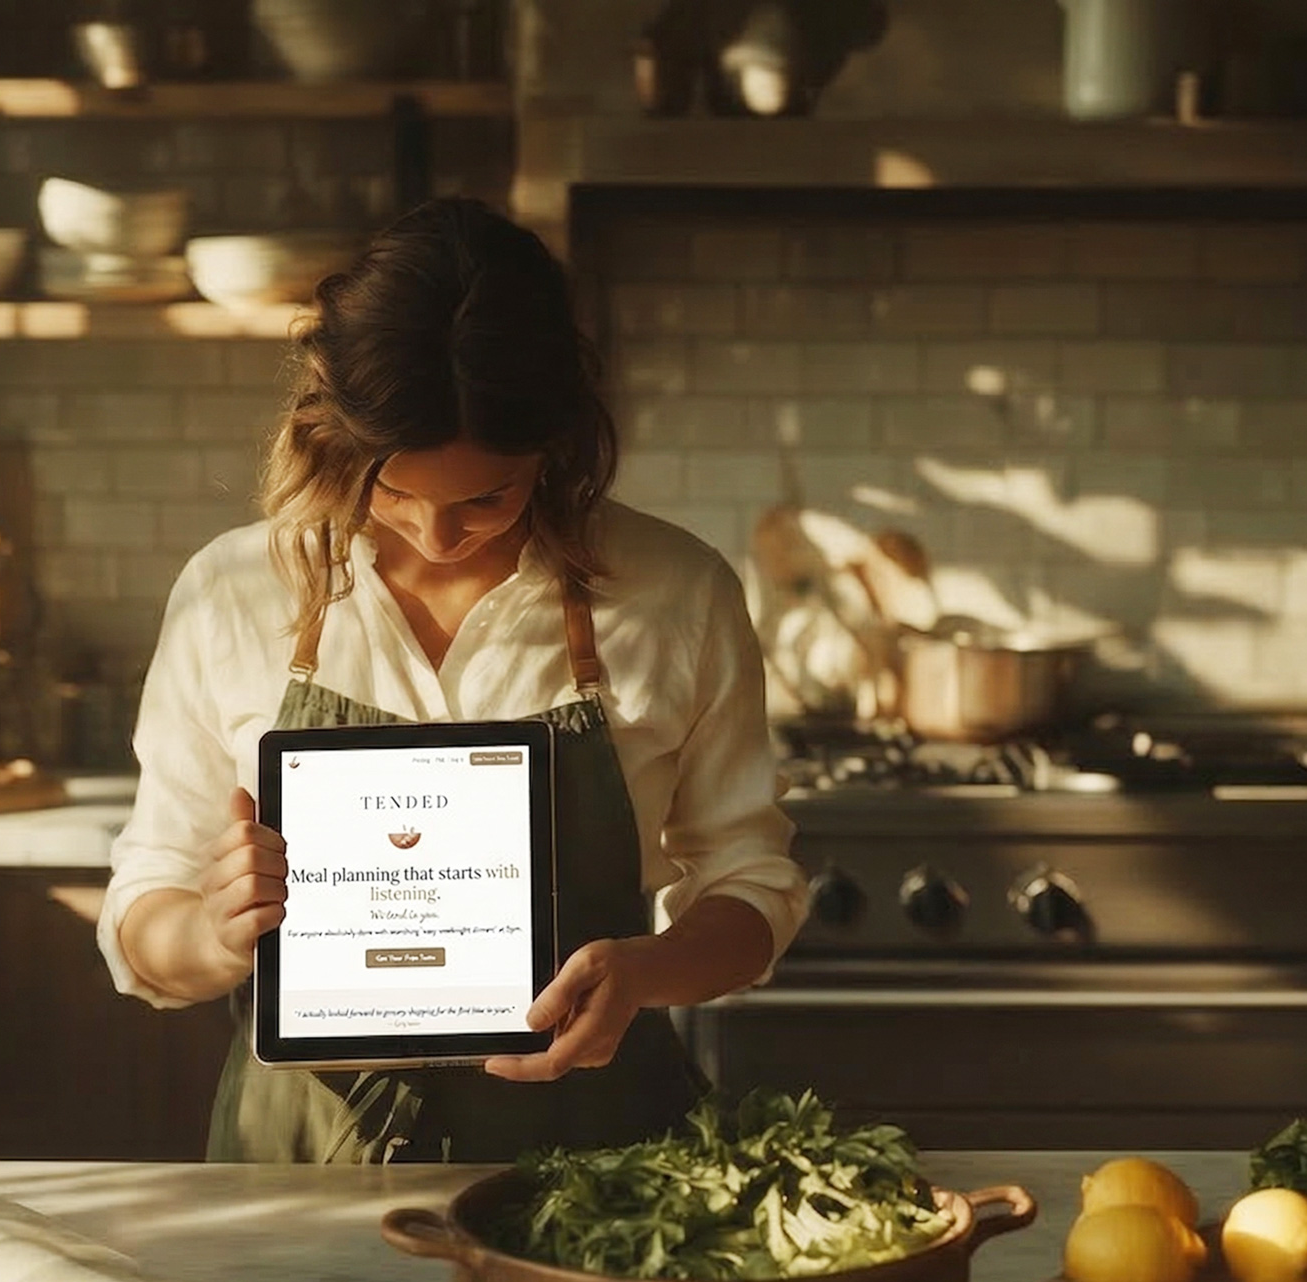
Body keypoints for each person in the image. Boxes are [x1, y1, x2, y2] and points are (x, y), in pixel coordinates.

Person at [96, 195, 808, 1164]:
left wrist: (647, 969)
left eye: (487, 497)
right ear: (331, 425)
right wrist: (217, 936)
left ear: (556, 442)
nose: (436, 535)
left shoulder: (674, 594)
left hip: (593, 1172)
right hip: (297, 1171)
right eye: (392, 490)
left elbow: (751, 886)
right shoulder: (231, 594)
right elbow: (144, 916)